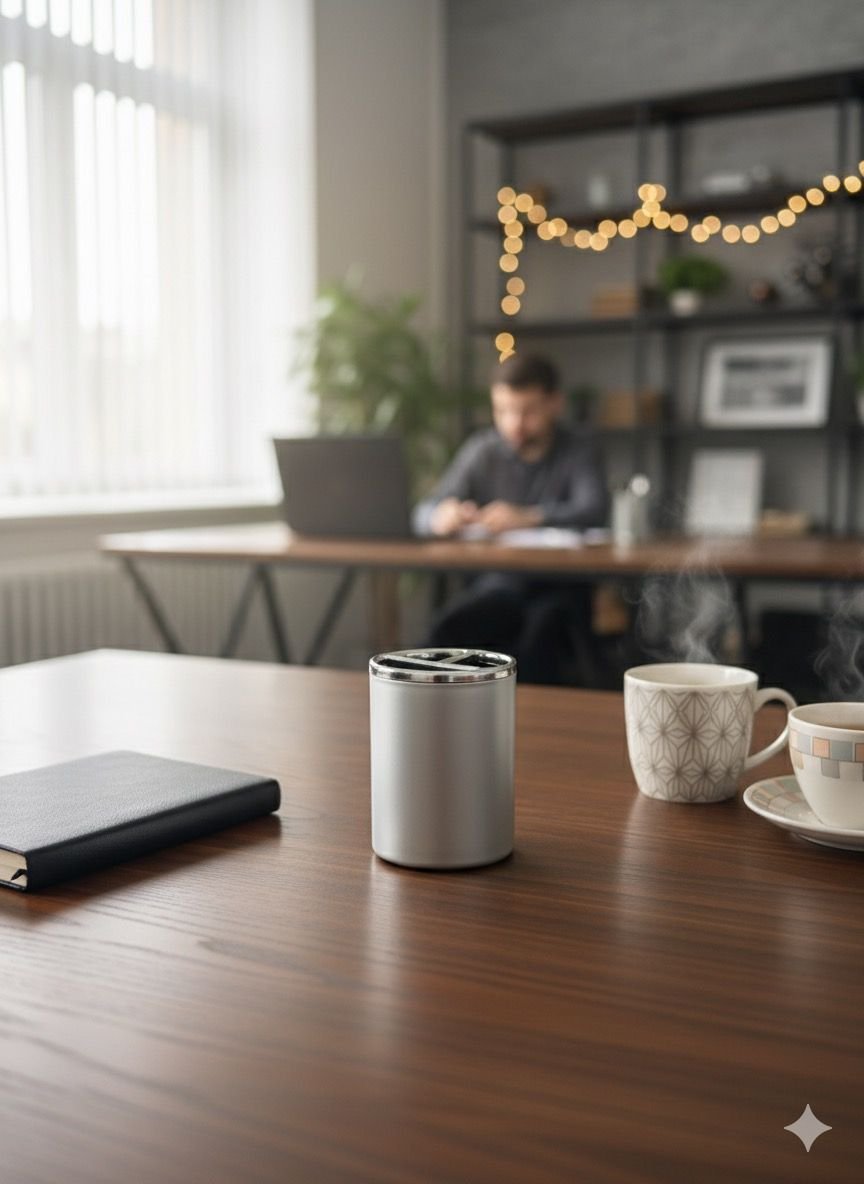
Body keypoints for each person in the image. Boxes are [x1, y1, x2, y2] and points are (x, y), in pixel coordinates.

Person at [413, 353, 609, 684]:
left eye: (528, 412)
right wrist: (440, 516)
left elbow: (594, 508)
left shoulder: (579, 448)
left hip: (559, 586)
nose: (514, 423)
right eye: (502, 411)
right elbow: (423, 510)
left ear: (555, 404)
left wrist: (529, 517)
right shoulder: (483, 450)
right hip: (496, 585)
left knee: (539, 636)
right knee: (446, 631)